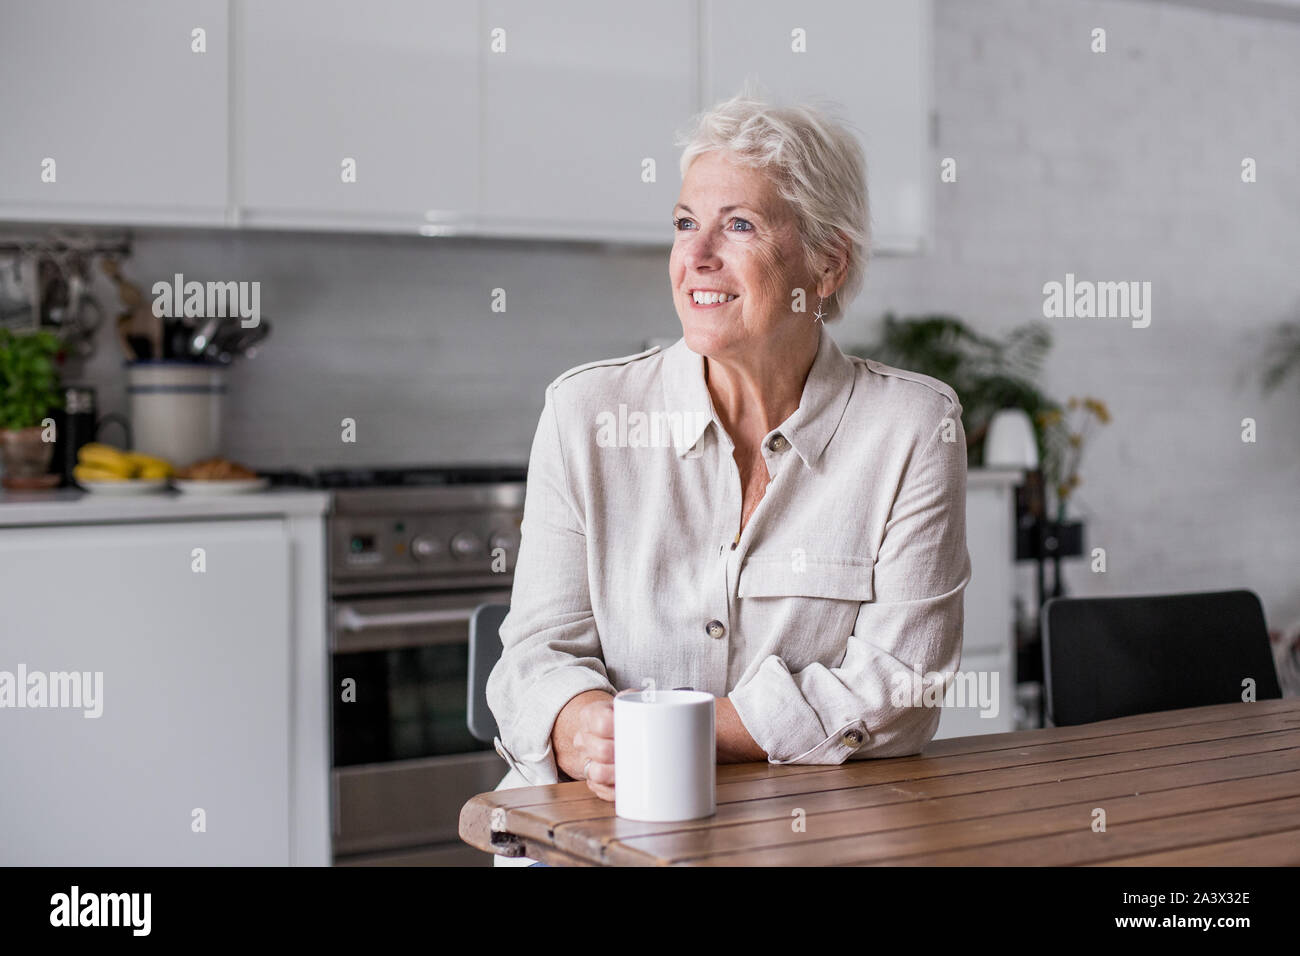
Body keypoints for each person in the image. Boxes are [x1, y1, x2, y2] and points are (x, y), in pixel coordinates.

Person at [486, 89, 971, 866]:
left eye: (738, 224)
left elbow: (901, 691)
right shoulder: (585, 411)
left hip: (807, 843)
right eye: (685, 223)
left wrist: (672, 732)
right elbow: (533, 656)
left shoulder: (911, 427)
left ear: (827, 260)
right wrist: (576, 720)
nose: (697, 256)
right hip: (590, 841)